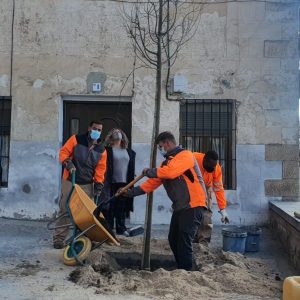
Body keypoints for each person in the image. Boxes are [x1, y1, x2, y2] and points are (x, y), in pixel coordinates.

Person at [124, 131, 207, 271]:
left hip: (194, 205)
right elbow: (153, 183)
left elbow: (170, 172)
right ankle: (182, 268)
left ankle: (187, 272)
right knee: (173, 239)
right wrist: (130, 193)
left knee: (184, 240)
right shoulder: (167, 163)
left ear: (167, 143)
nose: (160, 150)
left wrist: (150, 171)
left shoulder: (185, 155)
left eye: (160, 146)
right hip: (181, 207)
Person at [53, 120, 107, 249]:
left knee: (87, 213)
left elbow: (100, 169)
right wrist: (67, 162)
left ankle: (86, 237)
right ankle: (59, 238)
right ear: (89, 128)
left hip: (87, 183)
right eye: (95, 128)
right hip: (70, 180)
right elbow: (63, 152)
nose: (97, 132)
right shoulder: (76, 139)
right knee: (65, 208)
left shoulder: (102, 150)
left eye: (99, 130)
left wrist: (99, 183)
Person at [100, 128, 136, 236]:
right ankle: (109, 228)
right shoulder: (106, 150)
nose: (117, 132)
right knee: (110, 205)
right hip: (110, 182)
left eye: (119, 131)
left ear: (123, 135)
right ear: (111, 136)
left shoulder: (129, 152)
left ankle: (121, 228)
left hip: (125, 182)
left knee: (122, 206)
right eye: (114, 132)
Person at [193, 151, 229, 243]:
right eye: (210, 166)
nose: (212, 168)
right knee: (190, 213)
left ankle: (204, 243)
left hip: (206, 187)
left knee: (206, 214)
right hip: (191, 187)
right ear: (204, 160)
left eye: (214, 166)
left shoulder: (216, 168)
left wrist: (222, 210)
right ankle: (189, 240)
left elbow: (218, 188)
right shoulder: (193, 159)